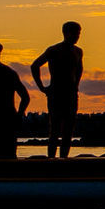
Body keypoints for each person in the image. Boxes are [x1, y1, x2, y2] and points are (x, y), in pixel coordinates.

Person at [30, 21, 83, 158]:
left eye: (78, 33)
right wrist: (42, 87)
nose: (77, 36)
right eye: (74, 33)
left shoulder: (78, 51)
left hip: (71, 94)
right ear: (65, 33)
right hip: (56, 93)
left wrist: (76, 84)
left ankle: (64, 158)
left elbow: (79, 69)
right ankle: (51, 159)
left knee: (68, 130)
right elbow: (35, 66)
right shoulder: (54, 50)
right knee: (55, 129)